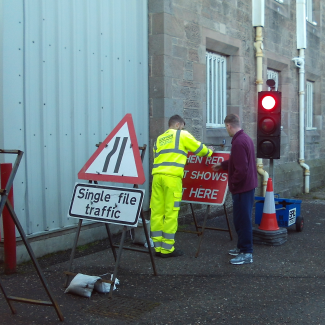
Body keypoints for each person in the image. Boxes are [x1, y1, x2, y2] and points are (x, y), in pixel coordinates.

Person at [150, 115, 214, 258]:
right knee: (171, 213)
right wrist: (209, 151)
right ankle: (167, 249)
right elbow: (199, 149)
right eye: (183, 126)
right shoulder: (181, 134)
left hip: (157, 177)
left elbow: (158, 157)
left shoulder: (159, 139)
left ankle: (157, 247)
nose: (184, 128)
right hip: (172, 178)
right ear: (178, 124)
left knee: (156, 212)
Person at [212, 114, 257, 265]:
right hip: (248, 187)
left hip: (242, 188)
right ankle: (241, 247)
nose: (227, 131)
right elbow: (238, 161)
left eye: (226, 127)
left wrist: (233, 184)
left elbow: (241, 169)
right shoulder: (246, 138)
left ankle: (246, 252)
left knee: (243, 221)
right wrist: (223, 165)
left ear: (229, 126)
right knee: (240, 220)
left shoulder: (238, 142)